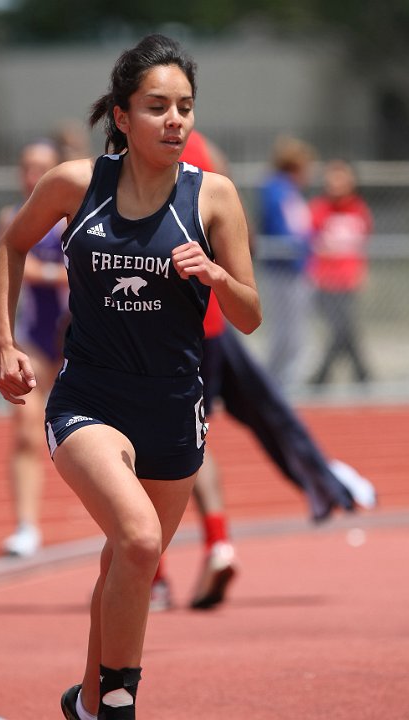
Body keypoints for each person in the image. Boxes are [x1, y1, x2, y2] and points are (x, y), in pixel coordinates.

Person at [0, 34, 262, 720]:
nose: (175, 120)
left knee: (123, 567)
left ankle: (83, 702)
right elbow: (13, 244)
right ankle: (117, 705)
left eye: (185, 107)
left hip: (173, 406)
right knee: (138, 541)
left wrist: (218, 276)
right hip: (89, 398)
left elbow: (250, 315)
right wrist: (4, 343)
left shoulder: (215, 197)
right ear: (121, 116)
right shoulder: (75, 184)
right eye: (157, 107)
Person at [151, 130, 377, 612]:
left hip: (175, 326)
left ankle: (159, 572)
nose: (173, 117)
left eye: (181, 105)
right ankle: (223, 540)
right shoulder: (204, 150)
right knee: (210, 427)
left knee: (164, 441)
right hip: (207, 322)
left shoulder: (146, 155)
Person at [0, 139, 68, 557]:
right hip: (32, 340)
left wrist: (44, 272)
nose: (32, 174)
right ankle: (26, 526)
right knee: (25, 432)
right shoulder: (11, 218)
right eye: (26, 166)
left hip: (75, 344)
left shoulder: (74, 216)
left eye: (41, 166)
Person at [308, 159, 373, 384]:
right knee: (341, 329)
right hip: (325, 281)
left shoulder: (359, 209)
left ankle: (337, 375)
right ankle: (360, 373)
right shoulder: (319, 209)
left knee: (344, 329)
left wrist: (361, 272)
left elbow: (362, 244)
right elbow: (310, 242)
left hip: (348, 281)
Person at [259, 135, 315, 389]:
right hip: (284, 269)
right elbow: (283, 230)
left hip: (295, 268)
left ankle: (282, 380)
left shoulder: (288, 191)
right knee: (286, 332)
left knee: (294, 330)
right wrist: (303, 247)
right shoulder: (277, 189)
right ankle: (277, 381)